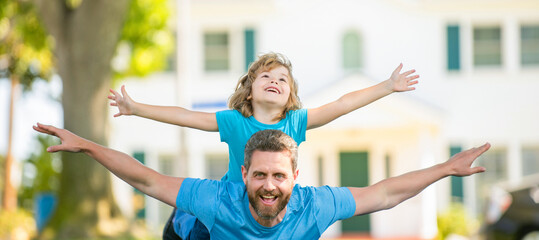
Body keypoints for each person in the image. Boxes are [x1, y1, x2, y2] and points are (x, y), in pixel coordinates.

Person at [108, 53, 419, 239]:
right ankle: (180, 220)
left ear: (290, 97)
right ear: (249, 92)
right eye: (266, 76)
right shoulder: (233, 121)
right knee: (199, 231)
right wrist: (137, 108)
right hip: (229, 208)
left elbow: (342, 103)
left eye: (283, 80)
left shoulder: (296, 121)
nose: (275, 81)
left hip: (271, 208)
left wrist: (388, 87)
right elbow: (186, 116)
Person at [33, 124, 490, 239]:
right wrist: (89, 146)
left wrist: (446, 169)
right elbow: (149, 180)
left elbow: (384, 193)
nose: (269, 186)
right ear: (243, 175)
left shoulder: (315, 205)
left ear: (296, 177)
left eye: (278, 176)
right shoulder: (218, 198)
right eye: (259, 176)